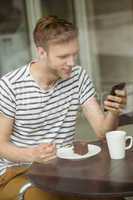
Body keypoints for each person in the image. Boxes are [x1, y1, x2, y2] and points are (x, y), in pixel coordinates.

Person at [0, 15, 126, 200]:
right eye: (63, 56)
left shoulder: (78, 76)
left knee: (111, 196)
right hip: (18, 172)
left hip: (65, 170)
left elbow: (102, 131)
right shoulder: (10, 85)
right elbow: (1, 145)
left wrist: (113, 112)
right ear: (41, 52)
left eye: (74, 54)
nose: (72, 63)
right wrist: (32, 154)